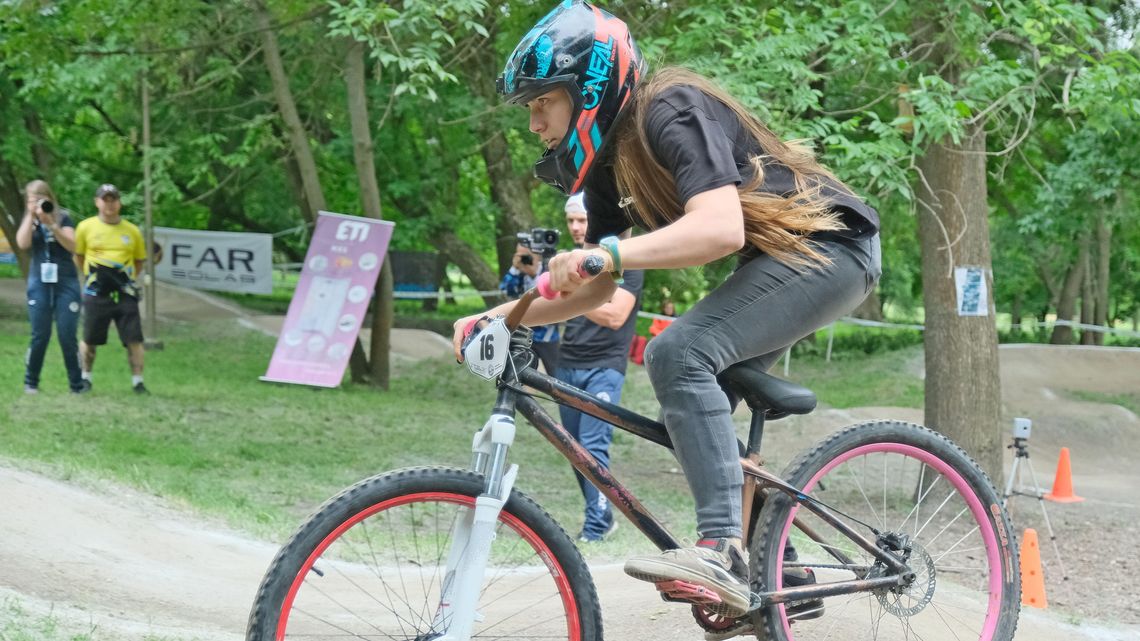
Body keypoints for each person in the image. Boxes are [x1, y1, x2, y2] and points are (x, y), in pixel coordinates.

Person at [454, 0, 881, 621]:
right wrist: (507, 316)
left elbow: (720, 229)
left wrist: (604, 253)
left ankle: (723, 554)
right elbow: (597, 292)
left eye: (541, 102)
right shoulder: (605, 170)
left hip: (831, 249)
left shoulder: (671, 109)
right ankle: (779, 572)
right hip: (775, 263)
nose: (533, 124)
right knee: (693, 412)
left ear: (588, 87)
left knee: (678, 353)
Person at [557, 192, 643, 543]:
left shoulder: (629, 263)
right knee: (573, 448)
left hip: (604, 367)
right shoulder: (568, 264)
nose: (576, 227)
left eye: (582, 220)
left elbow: (614, 315)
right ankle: (602, 518)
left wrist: (564, 297)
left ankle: (596, 527)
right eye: (571, 221)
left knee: (593, 445)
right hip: (567, 364)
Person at [74, 184, 150, 394]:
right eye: (105, 199)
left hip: (125, 293)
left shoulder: (132, 231)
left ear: (119, 202)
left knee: (134, 338)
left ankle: (138, 382)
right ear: (97, 202)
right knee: (89, 338)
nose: (109, 204)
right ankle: (85, 378)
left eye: (113, 199)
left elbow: (139, 261)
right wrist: (93, 278)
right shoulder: (85, 227)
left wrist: (123, 280)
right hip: (96, 292)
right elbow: (79, 256)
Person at [15, 179, 87, 394]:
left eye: (40, 199)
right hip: (39, 282)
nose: (37, 203)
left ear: (49, 197)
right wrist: (31, 215)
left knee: (67, 334)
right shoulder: (30, 220)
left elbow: (73, 246)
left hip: (66, 282)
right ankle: (31, 382)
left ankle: (76, 384)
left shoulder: (63, 218)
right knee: (40, 334)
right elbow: (22, 243)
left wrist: (51, 225)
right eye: (31, 199)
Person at [498, 242, 560, 374]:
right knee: (517, 376)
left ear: (537, 255)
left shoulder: (547, 270)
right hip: (522, 333)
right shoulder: (518, 274)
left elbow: (552, 298)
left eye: (527, 255)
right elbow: (505, 290)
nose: (524, 259)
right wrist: (514, 269)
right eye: (519, 255)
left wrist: (533, 276)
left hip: (546, 335)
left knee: (557, 377)